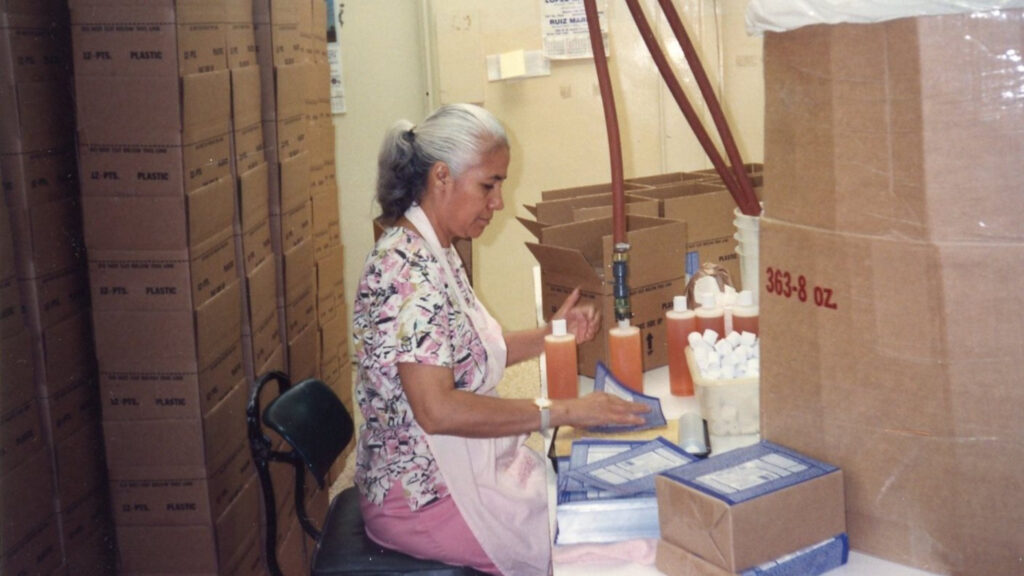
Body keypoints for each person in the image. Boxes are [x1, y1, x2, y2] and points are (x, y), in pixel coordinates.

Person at [351, 103, 650, 575]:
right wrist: (563, 410)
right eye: (488, 185)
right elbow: (439, 409)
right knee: (591, 546)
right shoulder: (406, 270)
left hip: (454, 471)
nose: (498, 203)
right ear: (441, 177)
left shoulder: (436, 253)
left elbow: (467, 354)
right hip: (422, 497)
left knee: (585, 506)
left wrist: (555, 332)